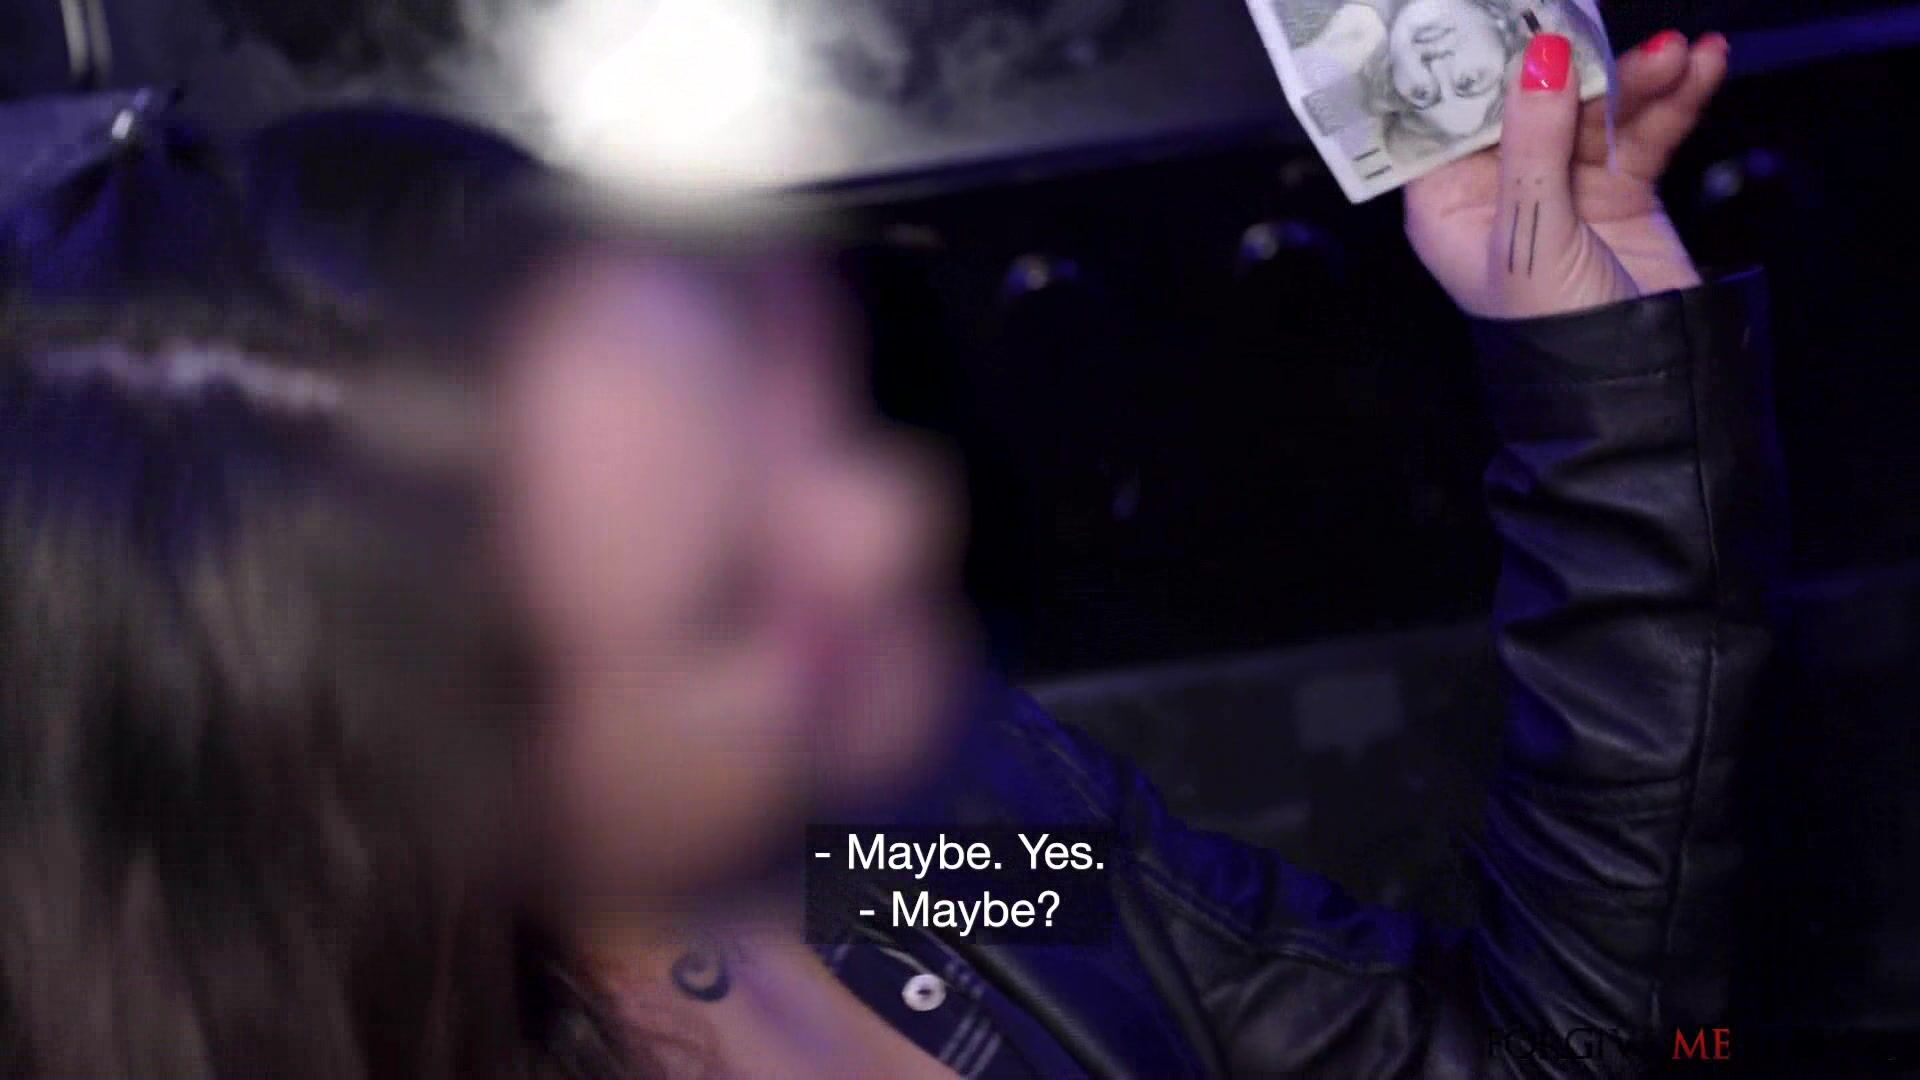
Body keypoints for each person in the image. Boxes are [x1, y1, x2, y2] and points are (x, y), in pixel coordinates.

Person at [8, 25, 1773, 1080]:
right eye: (722, 593)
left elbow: (1565, 1056)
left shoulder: (903, 857)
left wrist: (1600, 382)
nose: (892, 527)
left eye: (777, 424)